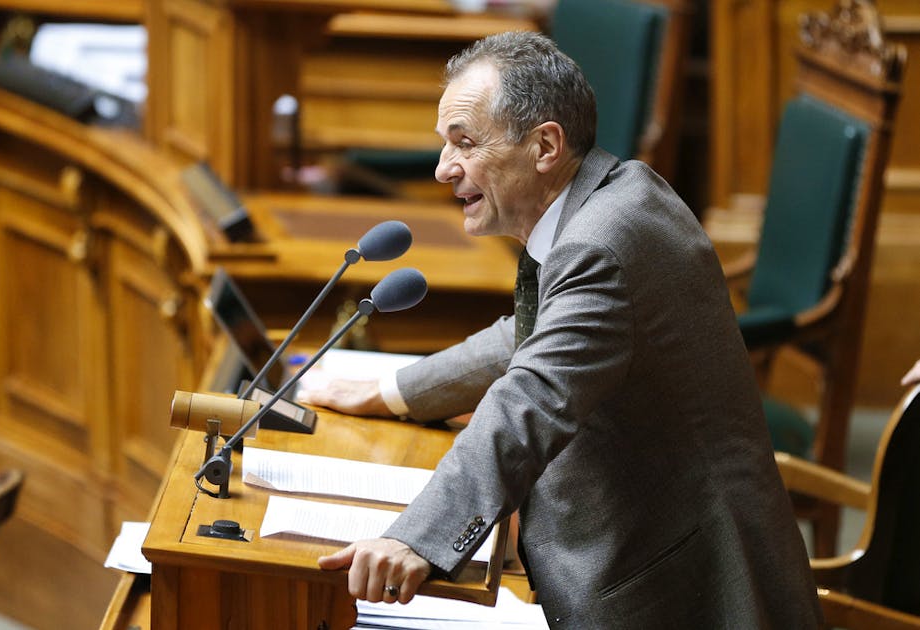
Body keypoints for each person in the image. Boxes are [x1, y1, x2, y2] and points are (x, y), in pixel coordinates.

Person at [299, 31, 821, 628]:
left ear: (545, 145)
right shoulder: (604, 202)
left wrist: (419, 539)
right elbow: (531, 337)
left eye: (463, 143)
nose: (444, 169)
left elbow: (532, 396)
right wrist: (393, 391)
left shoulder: (603, 242)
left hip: (684, 593)